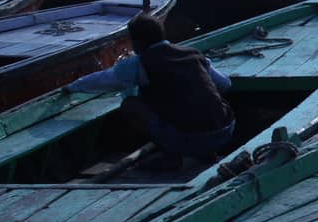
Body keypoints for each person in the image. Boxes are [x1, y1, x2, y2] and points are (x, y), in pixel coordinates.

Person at [64, 13, 236, 170]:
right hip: (224, 131)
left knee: (131, 104)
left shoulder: (139, 63)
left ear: (137, 43)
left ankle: (171, 156)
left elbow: (103, 80)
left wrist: (73, 86)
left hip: (188, 139)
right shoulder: (193, 54)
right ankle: (205, 152)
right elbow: (225, 84)